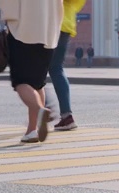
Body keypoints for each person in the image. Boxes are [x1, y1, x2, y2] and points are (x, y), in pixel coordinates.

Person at [0, 0, 64, 143]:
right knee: (38, 83)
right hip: (48, 32)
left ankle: (40, 109)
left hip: (23, 32)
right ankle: (32, 130)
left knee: (21, 82)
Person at [48, 0, 86, 132]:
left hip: (51, 22)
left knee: (37, 67)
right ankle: (66, 116)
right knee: (56, 68)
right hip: (66, 23)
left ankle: (43, 108)